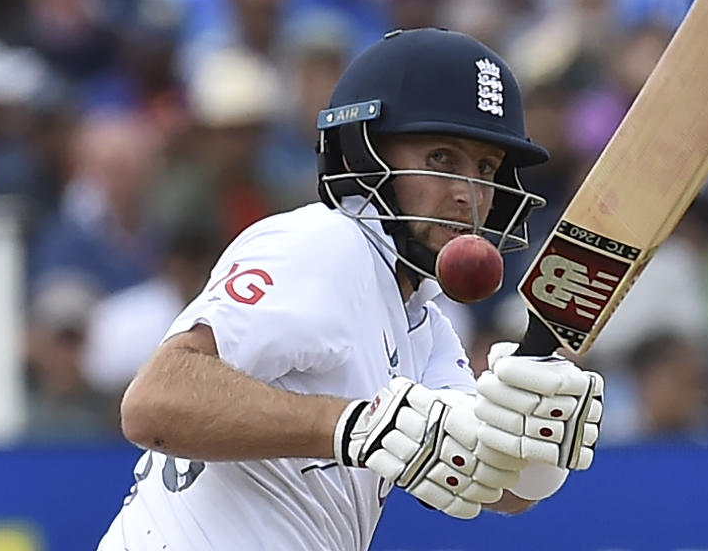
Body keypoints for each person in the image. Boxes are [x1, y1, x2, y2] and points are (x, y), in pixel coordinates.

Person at [96, 28, 604, 550]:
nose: (468, 194)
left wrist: (529, 444)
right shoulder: (326, 243)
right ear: (365, 154)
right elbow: (155, 402)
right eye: (441, 158)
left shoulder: (425, 325)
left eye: (485, 168)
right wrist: (352, 425)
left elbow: (482, 475)